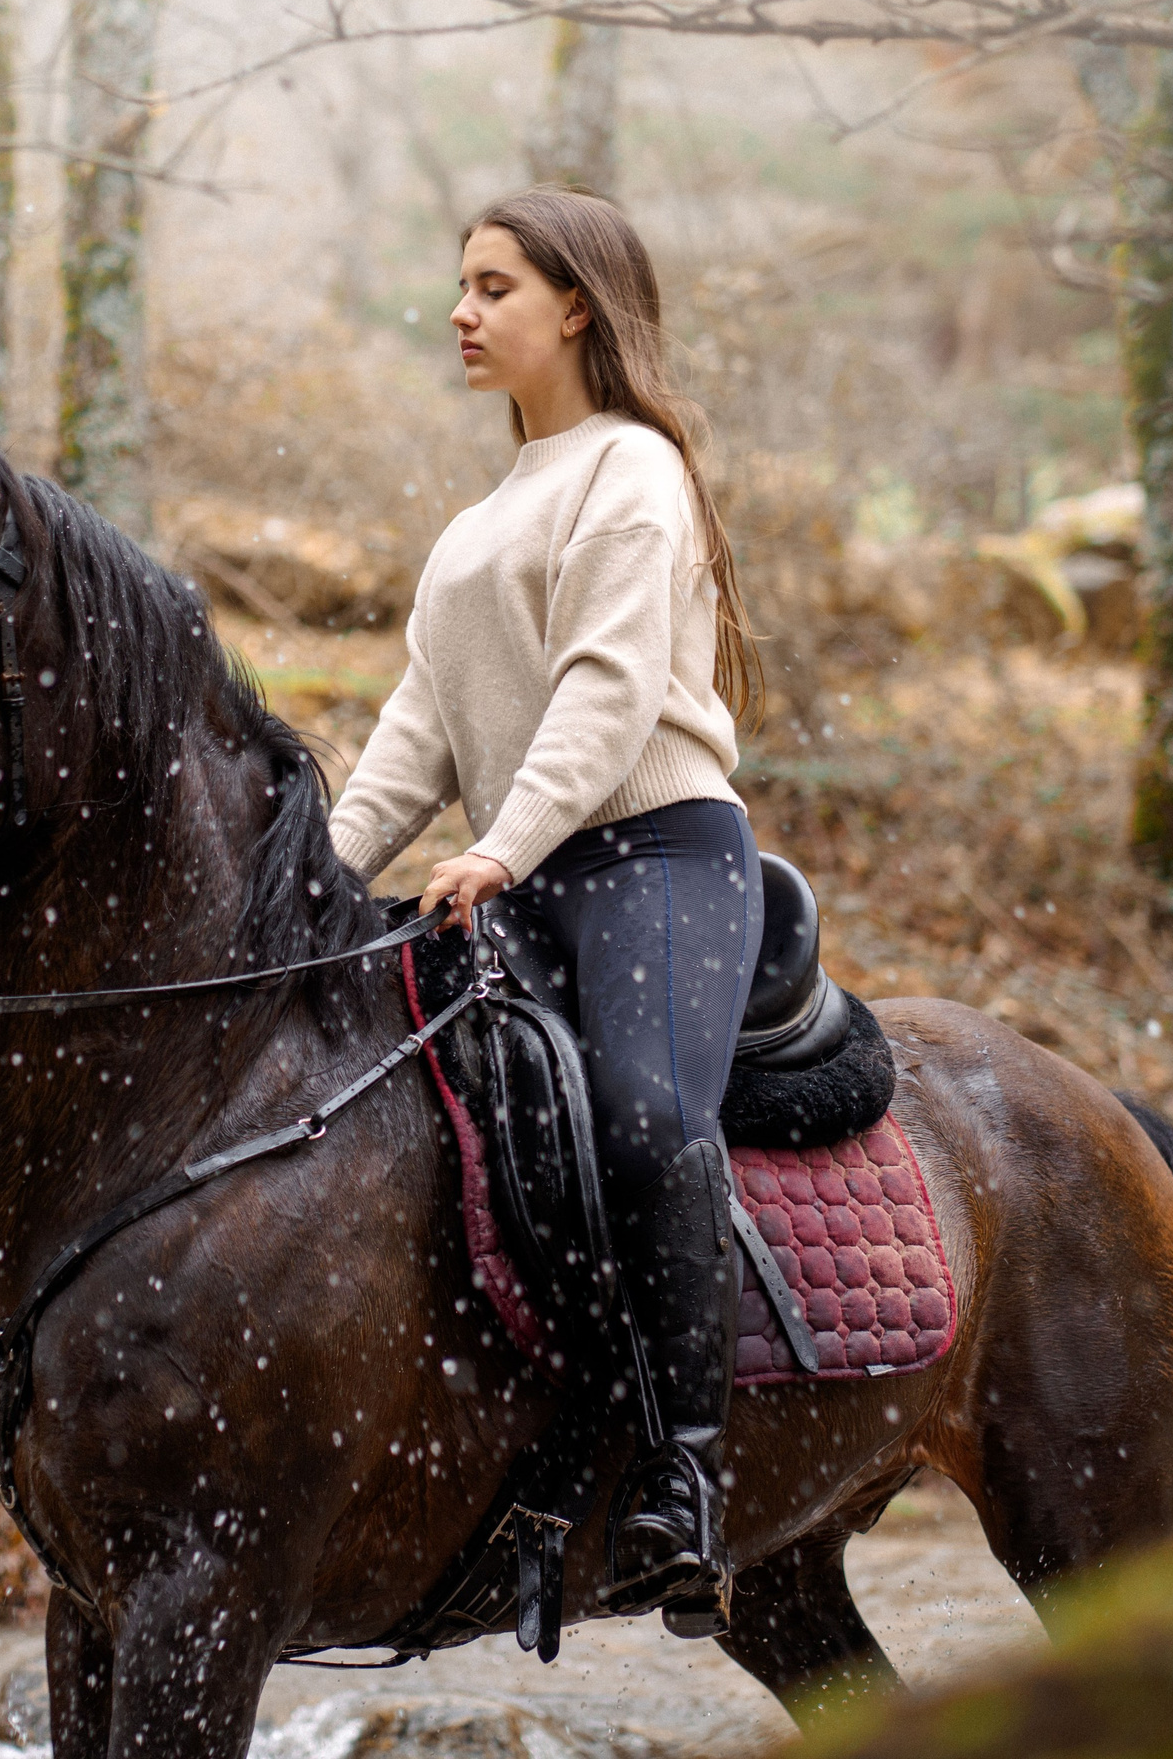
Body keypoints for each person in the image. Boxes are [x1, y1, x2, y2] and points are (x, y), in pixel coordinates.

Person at [327, 185, 765, 1630]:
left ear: (577, 306)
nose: (462, 311)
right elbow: (417, 732)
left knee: (644, 1115)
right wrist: (312, 888)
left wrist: (502, 850)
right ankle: (519, 1446)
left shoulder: (632, 471)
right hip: (521, 868)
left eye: (494, 287)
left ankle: (687, 1478)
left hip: (658, 858)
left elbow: (609, 690)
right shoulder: (478, 524)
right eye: (462, 285)